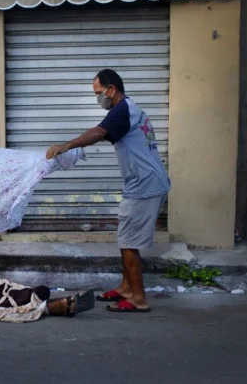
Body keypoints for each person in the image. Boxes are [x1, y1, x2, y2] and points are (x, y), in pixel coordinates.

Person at [46, 69, 170, 314]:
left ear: (111, 89)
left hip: (145, 186)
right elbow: (104, 134)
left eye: (99, 93)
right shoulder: (130, 110)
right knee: (126, 237)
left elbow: (99, 132)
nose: (98, 98)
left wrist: (67, 145)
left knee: (128, 242)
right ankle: (126, 288)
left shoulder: (122, 109)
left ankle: (138, 299)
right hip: (145, 182)